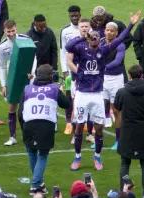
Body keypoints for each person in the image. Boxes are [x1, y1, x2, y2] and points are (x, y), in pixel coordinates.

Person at [67, 10, 142, 171]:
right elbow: (68, 46)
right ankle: (77, 157)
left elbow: (121, 38)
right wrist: (83, 36)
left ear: (98, 40)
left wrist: (131, 24)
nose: (94, 39)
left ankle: (97, 157)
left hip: (97, 94)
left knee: (99, 128)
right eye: (92, 37)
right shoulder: (81, 49)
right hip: (82, 94)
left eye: (95, 37)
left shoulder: (103, 50)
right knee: (79, 126)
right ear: (89, 38)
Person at [19, 64, 70, 194]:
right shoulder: (54, 88)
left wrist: (23, 128)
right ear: (51, 76)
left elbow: (20, 112)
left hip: (28, 124)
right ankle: (35, 185)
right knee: (42, 154)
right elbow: (66, 104)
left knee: (31, 152)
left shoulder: (27, 89)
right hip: (45, 125)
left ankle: (40, 183)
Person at [115, 64, 144, 198]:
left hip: (127, 132)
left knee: (125, 162)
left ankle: (123, 190)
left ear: (129, 75)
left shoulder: (122, 92)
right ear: (141, 75)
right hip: (143, 132)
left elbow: (117, 107)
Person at [0, 20, 34, 146]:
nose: (11, 33)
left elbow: (34, 56)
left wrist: (32, 72)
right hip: (13, 79)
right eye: (8, 31)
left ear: (16, 29)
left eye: (13, 30)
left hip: (28, 78)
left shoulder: (26, 39)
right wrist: (4, 85)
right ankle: (12, 137)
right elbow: (2, 67)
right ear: (4, 31)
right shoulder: (2, 46)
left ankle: (29, 136)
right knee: (12, 107)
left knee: (27, 107)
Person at [101, 22, 126, 150]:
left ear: (116, 33)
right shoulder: (100, 43)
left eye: (112, 31)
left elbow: (117, 61)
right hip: (102, 79)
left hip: (116, 79)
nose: (109, 32)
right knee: (101, 109)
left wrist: (104, 67)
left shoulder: (120, 45)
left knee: (116, 111)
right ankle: (98, 140)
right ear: (104, 31)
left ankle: (118, 140)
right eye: (107, 30)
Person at [60, 5, 81, 135]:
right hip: (69, 69)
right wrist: (64, 70)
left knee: (82, 95)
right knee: (69, 96)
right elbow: (63, 51)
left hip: (83, 69)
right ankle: (68, 122)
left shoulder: (85, 28)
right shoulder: (65, 31)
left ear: (80, 14)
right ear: (69, 16)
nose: (74, 18)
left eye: (76, 15)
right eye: (72, 15)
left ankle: (82, 122)